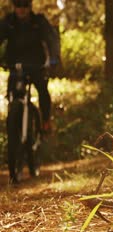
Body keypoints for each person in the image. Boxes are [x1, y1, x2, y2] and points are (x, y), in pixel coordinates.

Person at [0, 0, 57, 134]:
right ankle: (13, 121)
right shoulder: (9, 22)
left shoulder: (39, 21)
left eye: (25, 5)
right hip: (15, 65)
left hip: (36, 64)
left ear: (30, 7)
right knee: (12, 94)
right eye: (18, 5)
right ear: (14, 7)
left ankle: (46, 122)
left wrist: (54, 58)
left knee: (42, 90)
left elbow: (51, 39)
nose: (21, 9)